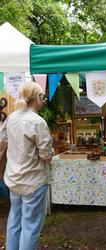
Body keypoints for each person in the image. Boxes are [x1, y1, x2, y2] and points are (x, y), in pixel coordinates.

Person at [0, 81, 53, 250]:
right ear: (36, 98)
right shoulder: (37, 122)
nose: (43, 100)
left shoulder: (11, 117)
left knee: (15, 220)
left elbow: (2, 140)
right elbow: (46, 156)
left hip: (14, 178)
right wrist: (50, 151)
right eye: (42, 97)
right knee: (30, 226)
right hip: (33, 180)